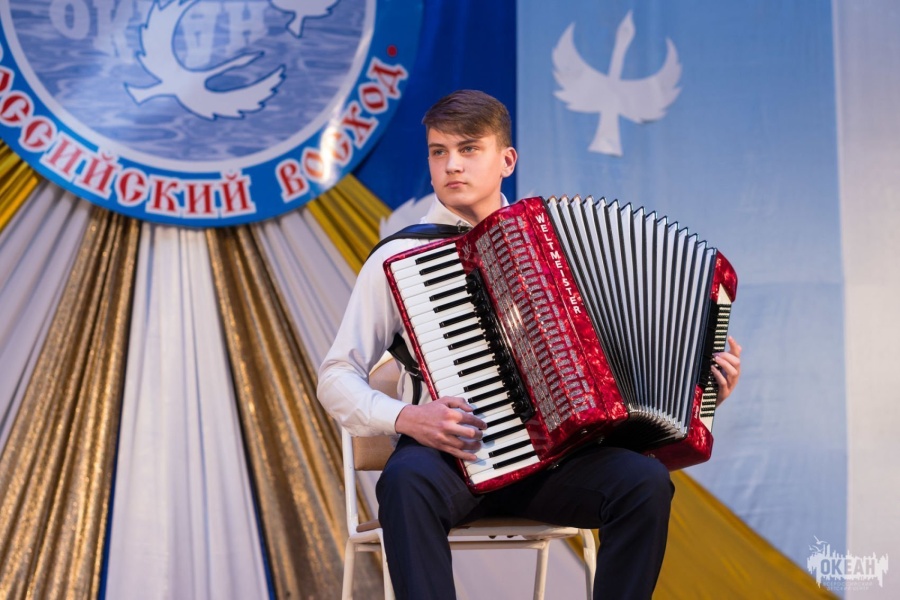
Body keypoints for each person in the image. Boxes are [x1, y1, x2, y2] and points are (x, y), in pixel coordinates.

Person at [317, 90, 742, 599]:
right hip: (449, 459)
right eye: (438, 151)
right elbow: (336, 376)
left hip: (553, 464)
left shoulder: (554, 248)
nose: (452, 165)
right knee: (405, 483)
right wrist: (407, 418)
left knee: (643, 484)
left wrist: (699, 393)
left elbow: (616, 383)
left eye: (469, 149)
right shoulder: (401, 257)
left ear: (507, 160)